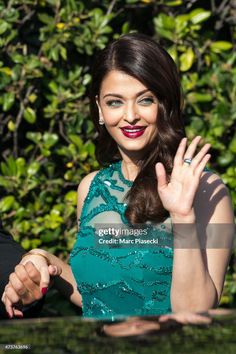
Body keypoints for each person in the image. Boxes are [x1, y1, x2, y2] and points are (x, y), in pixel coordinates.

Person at [1, 33, 234, 320]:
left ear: (165, 103)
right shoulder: (91, 188)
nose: (131, 115)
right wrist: (45, 261)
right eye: (115, 102)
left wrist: (183, 216)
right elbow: (97, 291)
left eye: (145, 99)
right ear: (99, 108)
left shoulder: (209, 190)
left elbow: (198, 311)